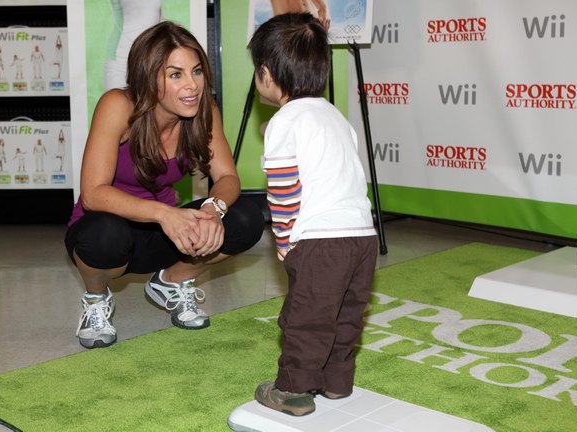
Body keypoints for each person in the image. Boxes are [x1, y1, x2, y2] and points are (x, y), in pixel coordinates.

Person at [65, 21, 264, 349]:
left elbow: (228, 178)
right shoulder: (118, 105)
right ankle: (96, 298)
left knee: (246, 218)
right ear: (149, 78)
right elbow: (93, 194)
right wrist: (163, 214)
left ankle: (172, 281)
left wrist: (214, 209)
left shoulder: (203, 111)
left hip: (166, 234)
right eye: (176, 75)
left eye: (197, 71)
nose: (192, 86)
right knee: (104, 235)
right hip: (110, 229)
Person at [248, 13, 378, 416]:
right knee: (345, 313)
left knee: (307, 317)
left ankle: (293, 390)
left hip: (319, 239)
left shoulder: (284, 121)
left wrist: (285, 241)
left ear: (267, 75)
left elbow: (285, 190)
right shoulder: (336, 117)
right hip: (362, 235)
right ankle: (337, 382)